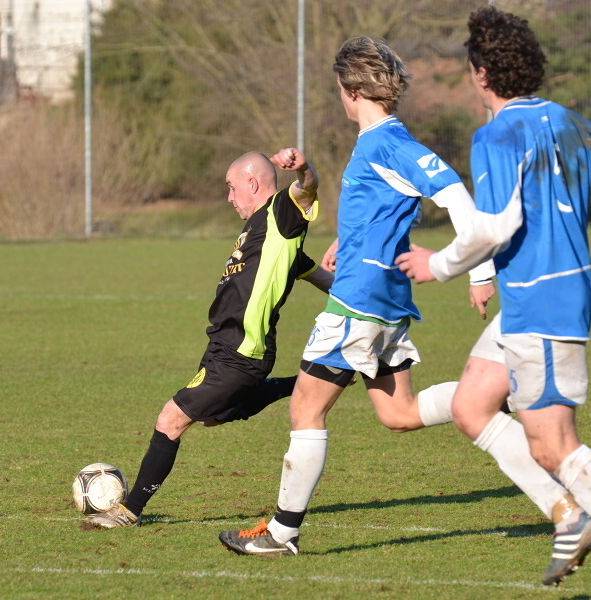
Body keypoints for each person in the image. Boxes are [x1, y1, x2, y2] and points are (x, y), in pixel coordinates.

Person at [217, 36, 552, 557]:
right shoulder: (377, 140)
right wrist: (346, 243)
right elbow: (384, 212)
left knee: (305, 408)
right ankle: (492, 394)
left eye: (339, 89)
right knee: (400, 413)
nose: (339, 97)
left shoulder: (388, 143)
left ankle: (281, 534)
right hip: (383, 296)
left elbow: (456, 196)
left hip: (361, 300)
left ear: (352, 91)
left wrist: (480, 271)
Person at [396, 7, 591, 599]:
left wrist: (439, 264)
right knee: (472, 405)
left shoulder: (496, 134)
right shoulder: (572, 123)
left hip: (542, 303)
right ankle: (569, 515)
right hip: (541, 298)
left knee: (552, 443)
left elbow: (496, 225)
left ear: (480, 73)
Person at [89, 148, 334, 529]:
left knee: (170, 419)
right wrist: (346, 293)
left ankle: (129, 511)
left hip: (240, 351)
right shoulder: (260, 232)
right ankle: (309, 380)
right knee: (213, 418)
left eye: (232, 188)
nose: (229, 197)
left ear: (253, 184)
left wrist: (303, 169)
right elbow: (310, 270)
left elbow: (307, 189)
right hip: (224, 348)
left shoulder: (280, 213)